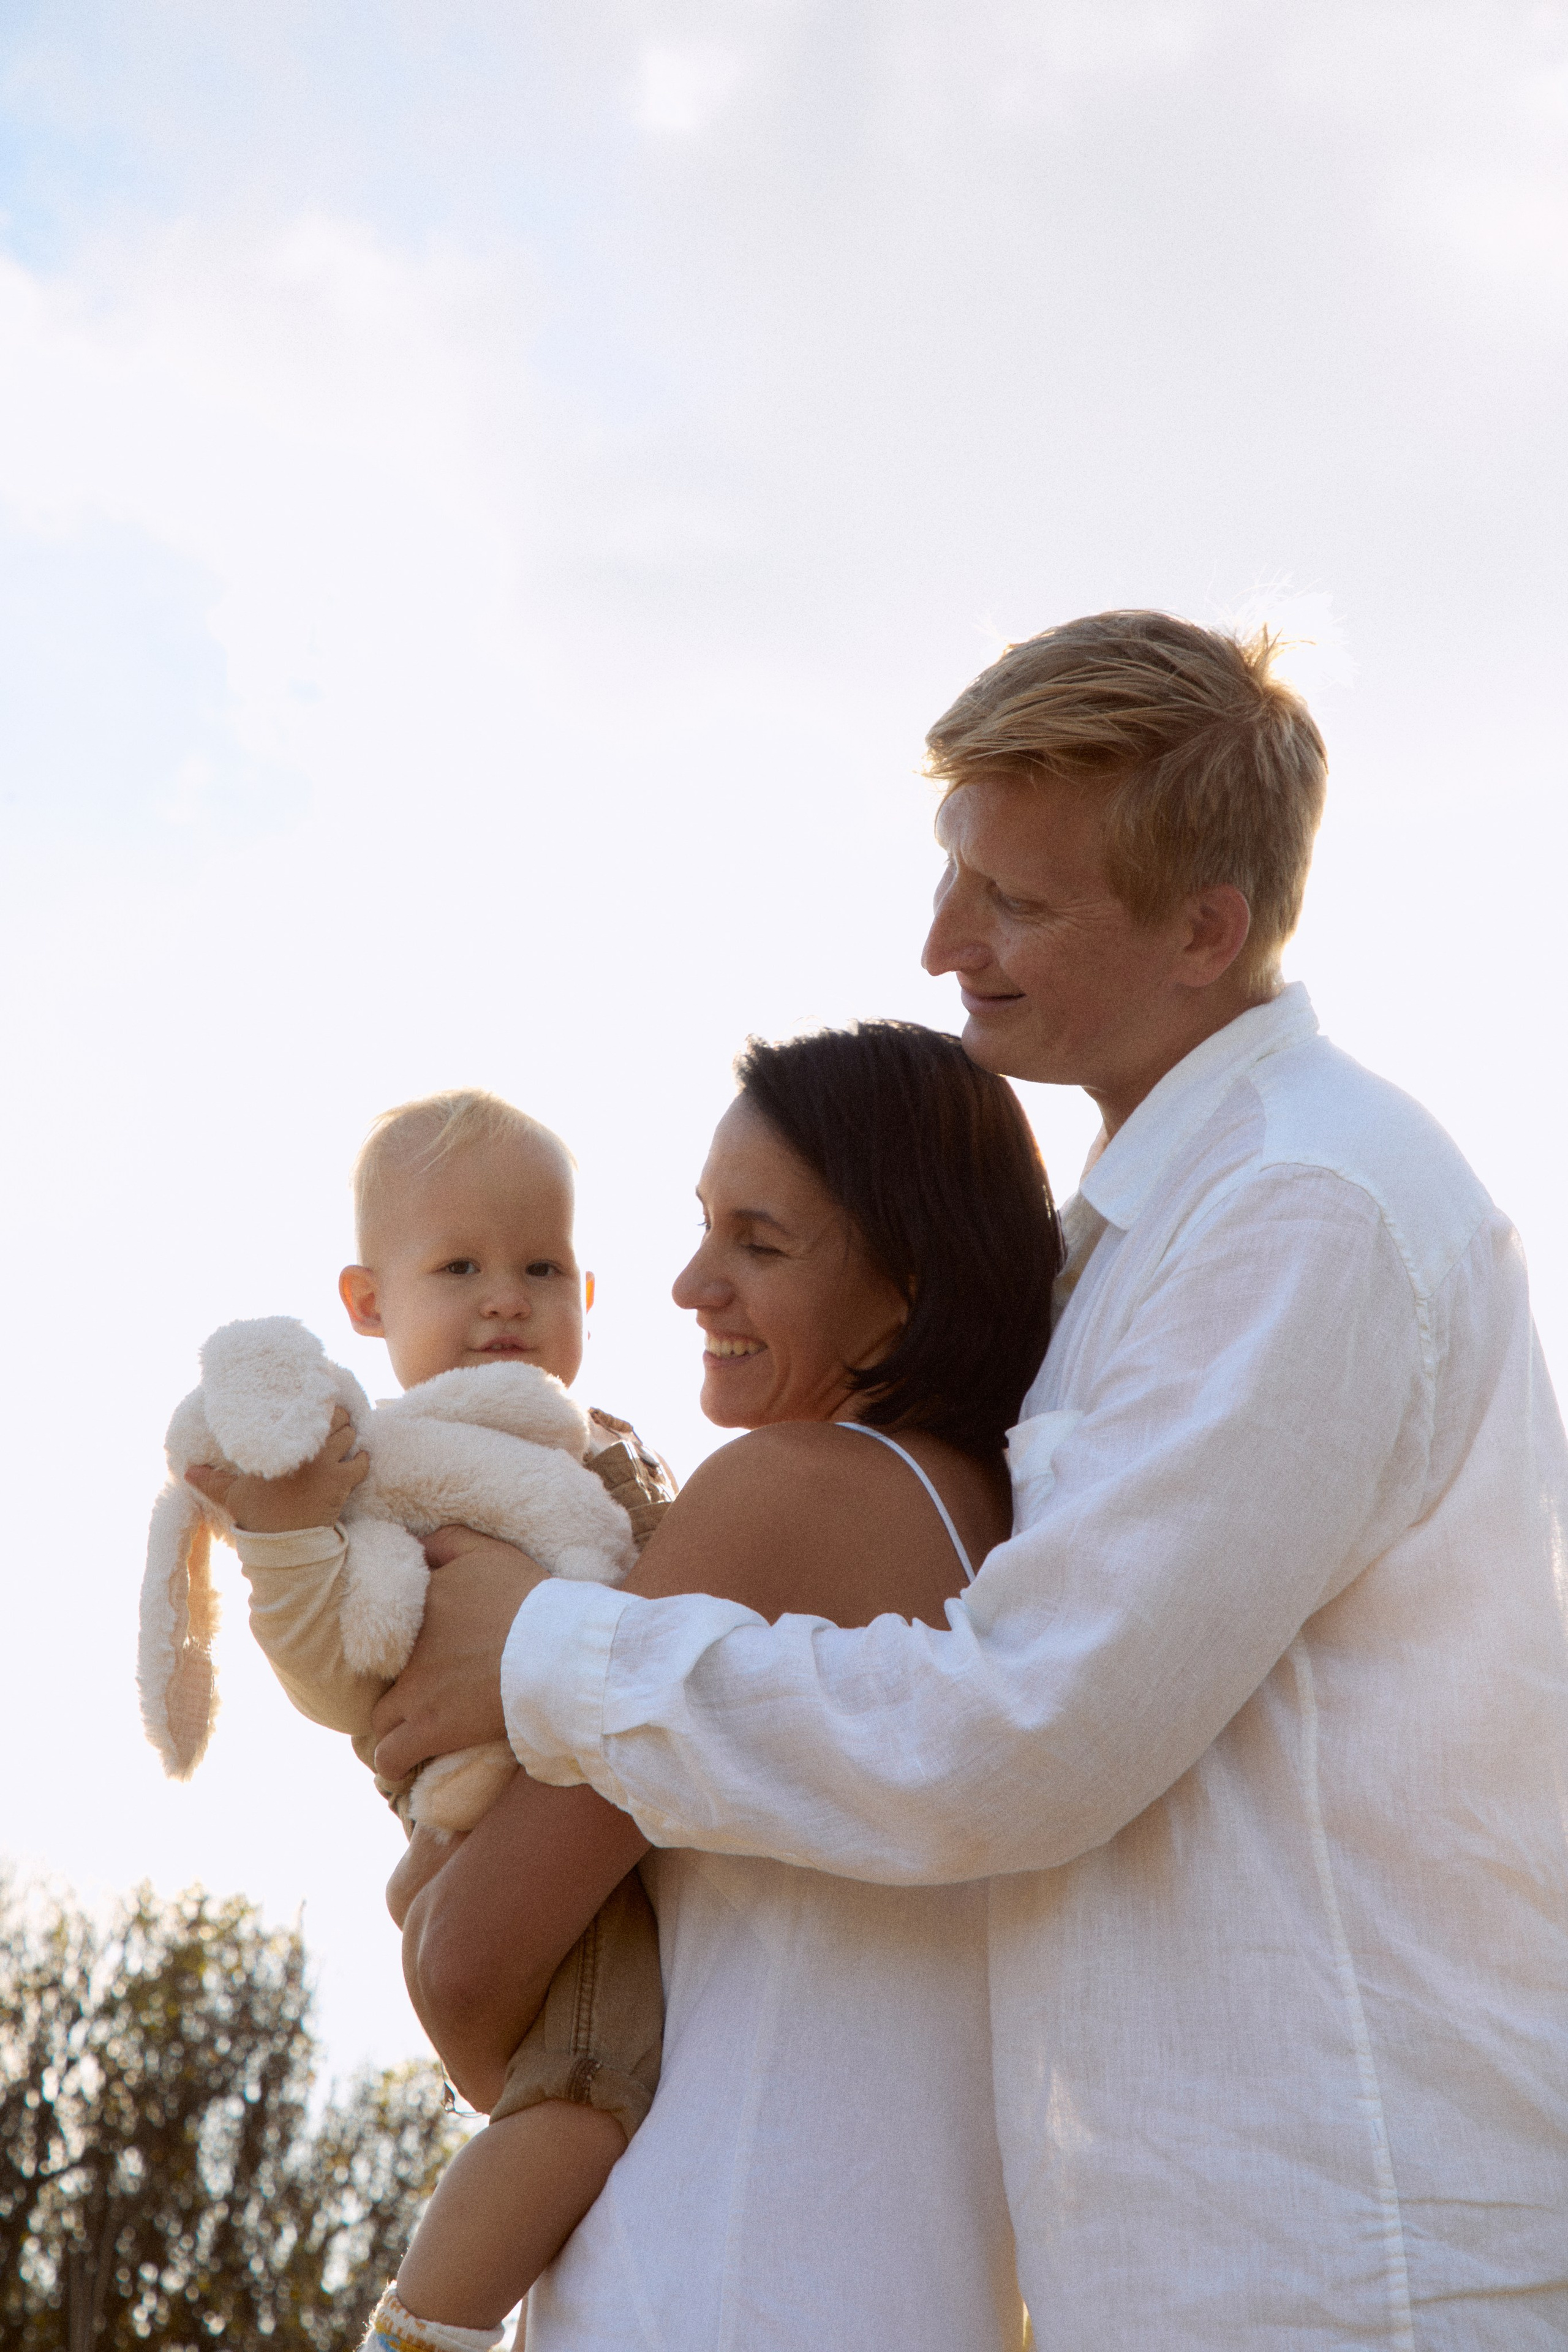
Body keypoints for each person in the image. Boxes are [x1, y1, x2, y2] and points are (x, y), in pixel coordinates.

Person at [375, 613, 1568, 2347]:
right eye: (955, 878)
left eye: (1011, 902)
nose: (945, 941)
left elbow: (1033, 1735)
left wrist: (547, 1656)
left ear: (1206, 930)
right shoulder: (1150, 1250)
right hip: (1188, 2262)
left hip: (1343, 2264)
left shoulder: (1303, 1207)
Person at [392, 1021, 1060, 2346]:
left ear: (913, 1279)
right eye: (703, 1226)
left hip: (706, 2275)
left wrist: (433, 1903)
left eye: (758, 1243)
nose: (693, 1282)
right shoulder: (1013, 1534)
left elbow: (473, 1969)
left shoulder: (785, 1492)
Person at [186, 1088, 676, 2352]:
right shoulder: (366, 1470)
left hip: (587, 1812)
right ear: (366, 1304)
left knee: (582, 2095)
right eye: (459, 1266)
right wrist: (280, 1530)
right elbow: (334, 1671)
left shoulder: (598, 1445)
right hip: (515, 1828)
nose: (506, 1297)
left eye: (541, 1266)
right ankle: (429, 2325)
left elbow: (674, 1590)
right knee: (581, 2087)